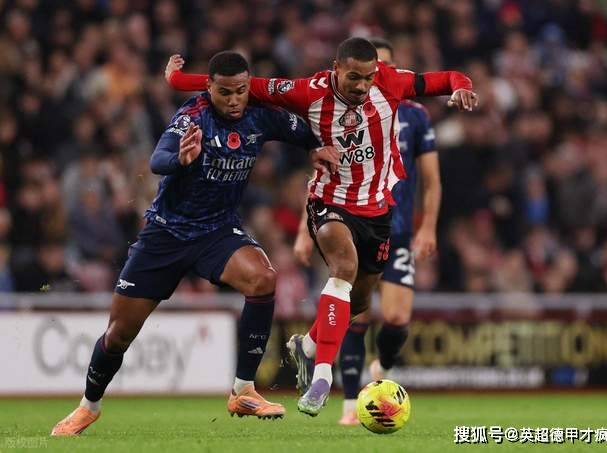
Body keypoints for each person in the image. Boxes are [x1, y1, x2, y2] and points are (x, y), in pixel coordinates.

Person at [166, 37, 477, 416]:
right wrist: (177, 80)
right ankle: (322, 378)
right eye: (353, 77)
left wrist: (462, 87)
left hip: (377, 209)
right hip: (329, 201)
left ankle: (308, 346)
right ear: (336, 69)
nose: (361, 86)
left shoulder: (391, 81)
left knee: (358, 303)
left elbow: (446, 78)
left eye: (368, 78)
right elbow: (245, 85)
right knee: (343, 268)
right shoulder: (307, 91)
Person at [51, 51, 338, 436]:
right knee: (118, 334)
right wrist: (181, 159)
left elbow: (302, 129)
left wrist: (315, 148)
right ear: (209, 87)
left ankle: (243, 390)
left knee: (263, 279)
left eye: (241, 91)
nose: (234, 100)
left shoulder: (259, 115)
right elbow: (158, 159)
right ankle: (88, 406)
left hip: (217, 232)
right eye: (225, 92)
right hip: (166, 234)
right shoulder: (193, 117)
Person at [293, 37, 441, 425]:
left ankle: (356, 360)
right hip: (345, 212)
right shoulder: (336, 107)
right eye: (360, 75)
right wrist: (304, 232)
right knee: (353, 308)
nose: (370, 82)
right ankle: (344, 403)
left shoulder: (415, 116)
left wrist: (428, 225)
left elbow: (431, 178)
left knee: (391, 317)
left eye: (378, 72)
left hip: (394, 225)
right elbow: (321, 174)